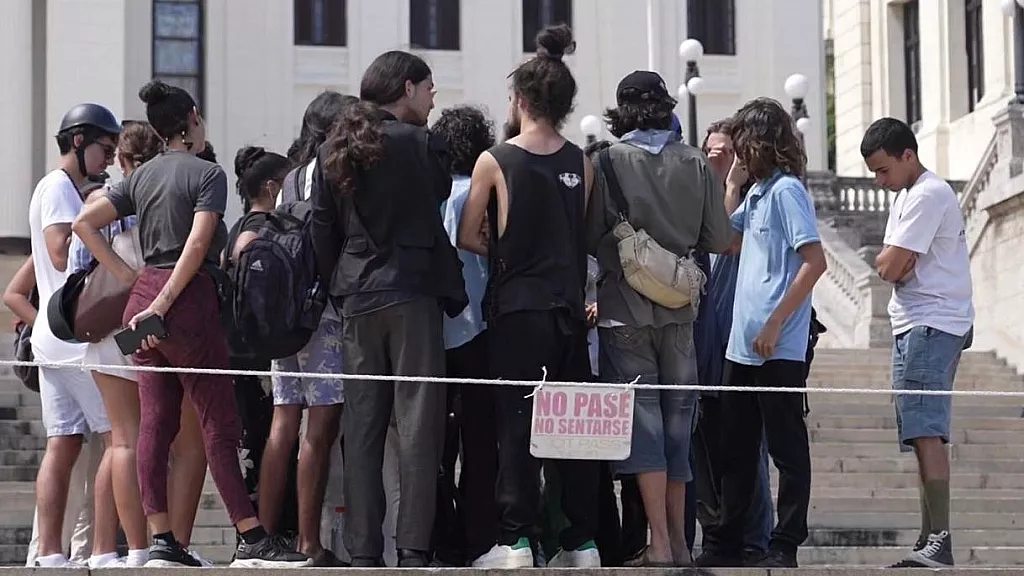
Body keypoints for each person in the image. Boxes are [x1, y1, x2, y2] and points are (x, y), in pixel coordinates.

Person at [72, 79, 308, 568]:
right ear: (193, 119)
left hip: (143, 300)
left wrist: (132, 279)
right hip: (185, 302)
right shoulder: (207, 173)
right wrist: (163, 300)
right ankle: (250, 536)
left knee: (155, 424)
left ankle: (161, 539)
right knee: (218, 423)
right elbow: (198, 245)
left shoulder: (141, 176)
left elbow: (84, 224)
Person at [310, 51, 466, 568]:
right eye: (428, 87)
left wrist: (339, 287)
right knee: (419, 425)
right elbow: (437, 198)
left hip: (357, 295)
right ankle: (414, 548)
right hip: (413, 292)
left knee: (362, 428)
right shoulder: (423, 145)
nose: (433, 97)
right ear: (407, 88)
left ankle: (363, 550)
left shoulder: (334, 148)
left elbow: (322, 229)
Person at [459, 24, 599, 570]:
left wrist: (503, 248)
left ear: (519, 99)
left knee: (516, 426)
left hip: (518, 308)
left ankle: (516, 540)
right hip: (569, 309)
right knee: (572, 428)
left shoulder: (495, 160)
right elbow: (578, 235)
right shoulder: (582, 162)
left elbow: (469, 234)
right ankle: (580, 541)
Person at [585, 70, 733, 567]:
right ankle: (682, 545)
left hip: (623, 309)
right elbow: (719, 239)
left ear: (621, 112)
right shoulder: (696, 162)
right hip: (681, 309)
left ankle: (660, 544)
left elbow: (590, 238)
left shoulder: (605, 162)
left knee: (643, 425)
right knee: (678, 427)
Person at [698, 98, 826, 569]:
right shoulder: (756, 194)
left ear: (759, 143)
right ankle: (728, 538)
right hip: (741, 348)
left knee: (787, 451)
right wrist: (732, 185)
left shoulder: (788, 191)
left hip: (779, 347)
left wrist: (776, 321)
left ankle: (785, 540)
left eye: (741, 146)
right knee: (734, 449)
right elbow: (723, 241)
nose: (736, 154)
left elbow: (815, 261)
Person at [860, 117, 974, 569]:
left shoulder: (927, 194)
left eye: (883, 169)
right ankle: (929, 536)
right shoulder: (907, 195)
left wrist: (893, 262)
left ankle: (939, 540)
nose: (879, 180)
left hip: (932, 321)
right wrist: (893, 262)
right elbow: (891, 264)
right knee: (918, 432)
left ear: (908, 155)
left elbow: (891, 267)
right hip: (915, 323)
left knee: (926, 431)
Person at [261, 92, 357, 566]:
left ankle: (260, 537)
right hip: (325, 315)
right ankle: (308, 542)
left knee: (283, 423)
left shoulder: (291, 178)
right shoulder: (334, 171)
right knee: (319, 430)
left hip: (288, 314)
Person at [66, 121, 162, 567]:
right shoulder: (159, 200)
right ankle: (140, 545)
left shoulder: (102, 200)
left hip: (102, 331)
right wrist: (133, 279)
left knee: (120, 442)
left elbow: (78, 264)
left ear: (121, 160)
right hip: (144, 325)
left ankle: (116, 548)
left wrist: (122, 275)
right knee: (138, 441)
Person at [29, 103, 120, 568]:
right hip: (74, 336)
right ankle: (103, 550)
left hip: (53, 334)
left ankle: (49, 554)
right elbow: (59, 253)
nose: (110, 158)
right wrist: (97, 218)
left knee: (62, 445)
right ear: (79, 141)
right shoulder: (59, 188)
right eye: (106, 148)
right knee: (118, 438)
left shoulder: (58, 186)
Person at [691, 119, 774, 563]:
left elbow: (725, 241)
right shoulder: (697, 199)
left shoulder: (757, 203)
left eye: (724, 153)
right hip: (703, 348)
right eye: (709, 152)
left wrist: (732, 186)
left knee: (747, 450)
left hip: (740, 348)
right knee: (706, 452)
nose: (716, 160)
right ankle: (718, 536)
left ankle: (755, 540)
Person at [429, 105, 499, 566]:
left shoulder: (431, 195)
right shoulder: (479, 194)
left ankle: (443, 535)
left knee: (438, 443)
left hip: (435, 329)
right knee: (480, 441)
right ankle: (479, 535)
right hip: (478, 327)